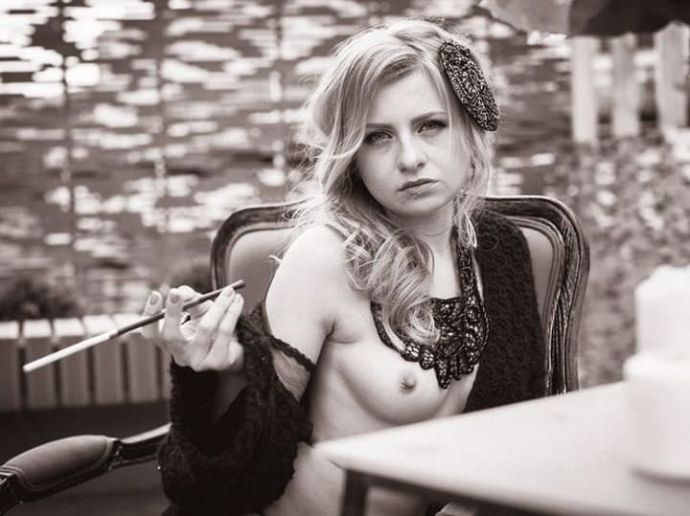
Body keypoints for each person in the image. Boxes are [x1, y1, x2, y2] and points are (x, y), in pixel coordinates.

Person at [142, 18, 545, 516]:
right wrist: (225, 372)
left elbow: (522, 421)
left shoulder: (501, 250)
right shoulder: (327, 259)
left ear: (469, 126)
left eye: (430, 125)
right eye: (378, 137)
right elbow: (246, 459)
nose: (410, 158)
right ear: (352, 156)